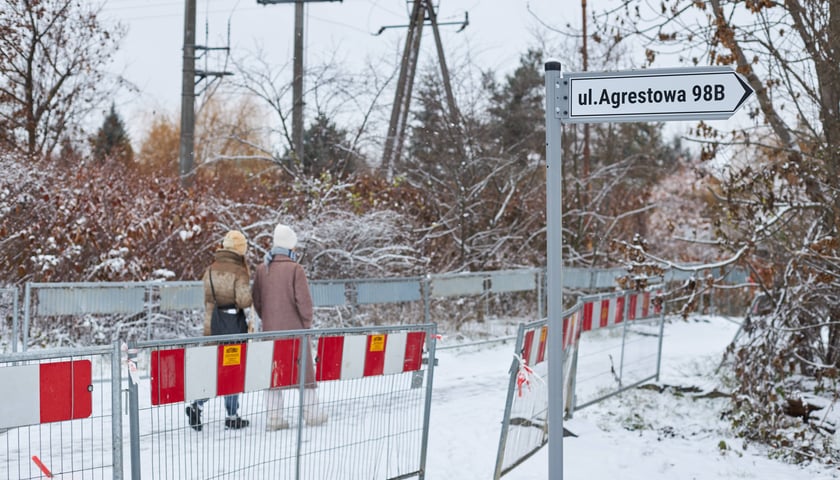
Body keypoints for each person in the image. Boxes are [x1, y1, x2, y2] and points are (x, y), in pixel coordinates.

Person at [252, 223, 327, 431]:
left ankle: (274, 418)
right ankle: (312, 414)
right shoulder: (295, 269)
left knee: (274, 374)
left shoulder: (262, 269)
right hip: (296, 331)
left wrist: (268, 318)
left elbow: (256, 300)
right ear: (290, 246)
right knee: (304, 374)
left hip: (270, 331)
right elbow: (304, 302)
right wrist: (306, 323)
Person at [186, 230, 252, 431]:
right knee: (232, 370)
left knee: (215, 370)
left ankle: (197, 404)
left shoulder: (211, 269)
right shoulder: (239, 271)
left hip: (213, 325)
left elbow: (208, 297)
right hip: (233, 328)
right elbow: (244, 300)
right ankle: (232, 415)